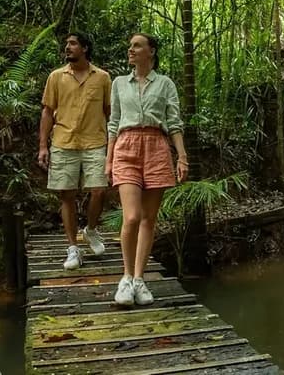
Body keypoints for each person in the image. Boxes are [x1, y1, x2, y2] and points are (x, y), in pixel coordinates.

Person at [106, 33, 188, 306]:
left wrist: (182, 157)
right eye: (129, 46)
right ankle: (126, 278)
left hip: (156, 147)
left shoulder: (165, 84)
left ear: (151, 51)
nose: (131, 50)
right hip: (126, 147)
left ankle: (140, 280)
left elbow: (174, 123)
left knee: (148, 219)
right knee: (131, 217)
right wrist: (108, 159)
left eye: (137, 46)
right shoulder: (119, 83)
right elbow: (113, 122)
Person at [38, 32, 111, 270]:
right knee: (66, 195)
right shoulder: (56, 77)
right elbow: (48, 112)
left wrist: (114, 145)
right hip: (63, 142)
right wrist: (42, 146)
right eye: (67, 44)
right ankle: (72, 248)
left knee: (99, 190)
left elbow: (110, 112)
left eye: (73, 44)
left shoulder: (102, 77)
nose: (67, 47)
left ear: (85, 48)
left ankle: (90, 230)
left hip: (95, 141)